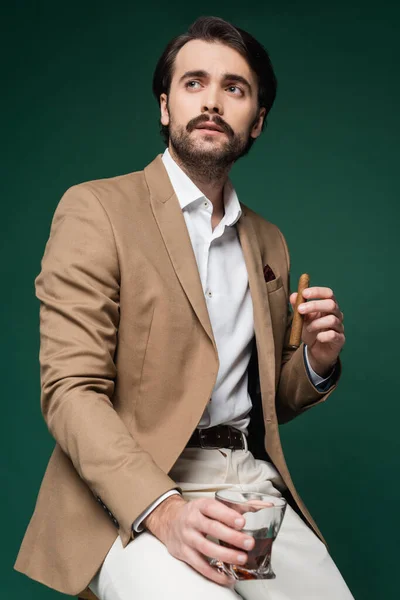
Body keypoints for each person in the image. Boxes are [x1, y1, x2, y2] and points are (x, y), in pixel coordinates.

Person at [14, 15, 353, 600]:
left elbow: (264, 399)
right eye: (194, 83)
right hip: (130, 494)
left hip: (250, 485)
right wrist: (162, 510)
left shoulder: (268, 241)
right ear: (165, 106)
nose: (213, 101)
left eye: (235, 88)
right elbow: (70, 390)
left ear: (258, 121)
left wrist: (317, 362)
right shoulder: (95, 210)